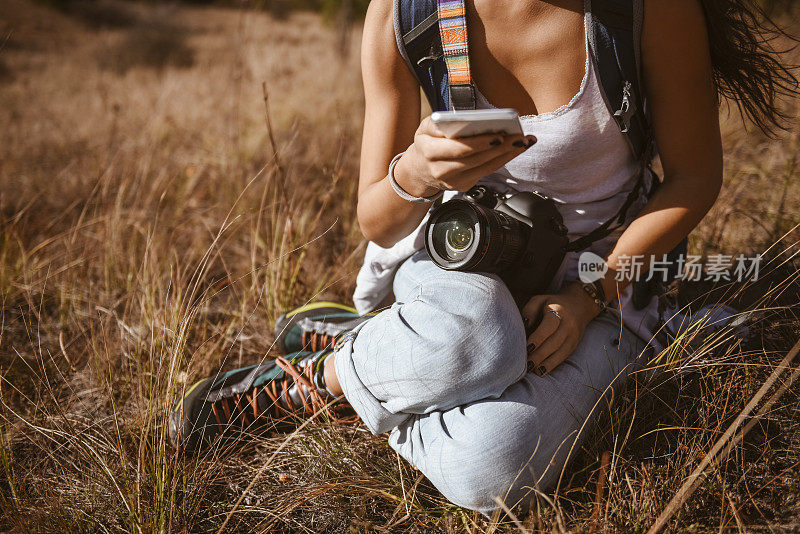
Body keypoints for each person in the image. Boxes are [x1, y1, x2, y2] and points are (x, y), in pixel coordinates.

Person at [169, 0, 798, 514]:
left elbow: (693, 180)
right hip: (458, 273)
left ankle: (366, 357)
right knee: (485, 332)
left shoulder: (644, 11)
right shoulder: (405, 12)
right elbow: (377, 220)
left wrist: (590, 297)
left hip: (595, 285)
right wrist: (414, 172)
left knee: (493, 466)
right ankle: (313, 383)